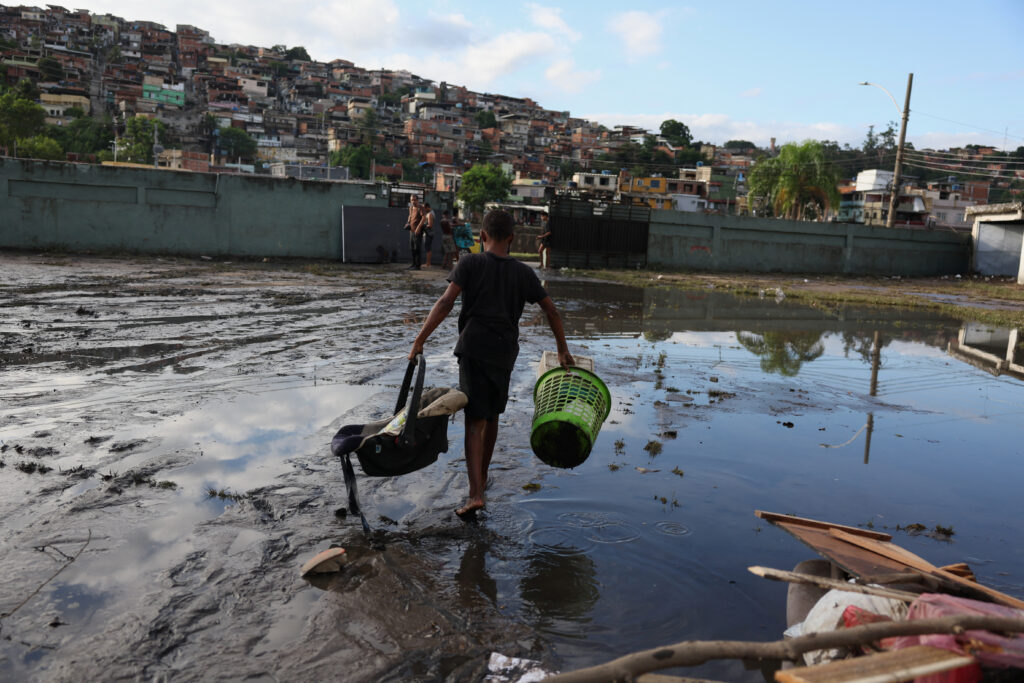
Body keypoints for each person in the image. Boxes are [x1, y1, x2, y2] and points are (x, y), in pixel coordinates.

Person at [409, 210, 574, 518]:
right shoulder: (523, 272)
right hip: (504, 352)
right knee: (493, 416)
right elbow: (551, 310)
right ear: (511, 239)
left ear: (481, 236)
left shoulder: (470, 262)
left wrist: (420, 340)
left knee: (474, 421)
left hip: (473, 348)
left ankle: (475, 495)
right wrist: (562, 350)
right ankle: (481, 480)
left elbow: (445, 302)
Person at [408, 196, 424, 270]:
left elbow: (424, 218)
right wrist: (408, 222)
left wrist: (418, 227)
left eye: (414, 200)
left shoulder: (420, 207)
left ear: (417, 200)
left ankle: (418, 265)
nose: (413, 201)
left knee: (417, 248)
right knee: (412, 248)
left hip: (417, 231)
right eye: (412, 200)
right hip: (411, 230)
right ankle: (413, 264)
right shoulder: (411, 208)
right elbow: (410, 216)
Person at [422, 202, 437, 268]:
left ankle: (428, 263)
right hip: (428, 233)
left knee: (428, 248)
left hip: (429, 233)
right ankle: (427, 263)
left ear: (427, 207)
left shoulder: (430, 214)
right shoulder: (430, 213)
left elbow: (430, 225)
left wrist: (423, 225)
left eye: (424, 208)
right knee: (427, 248)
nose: (424, 210)